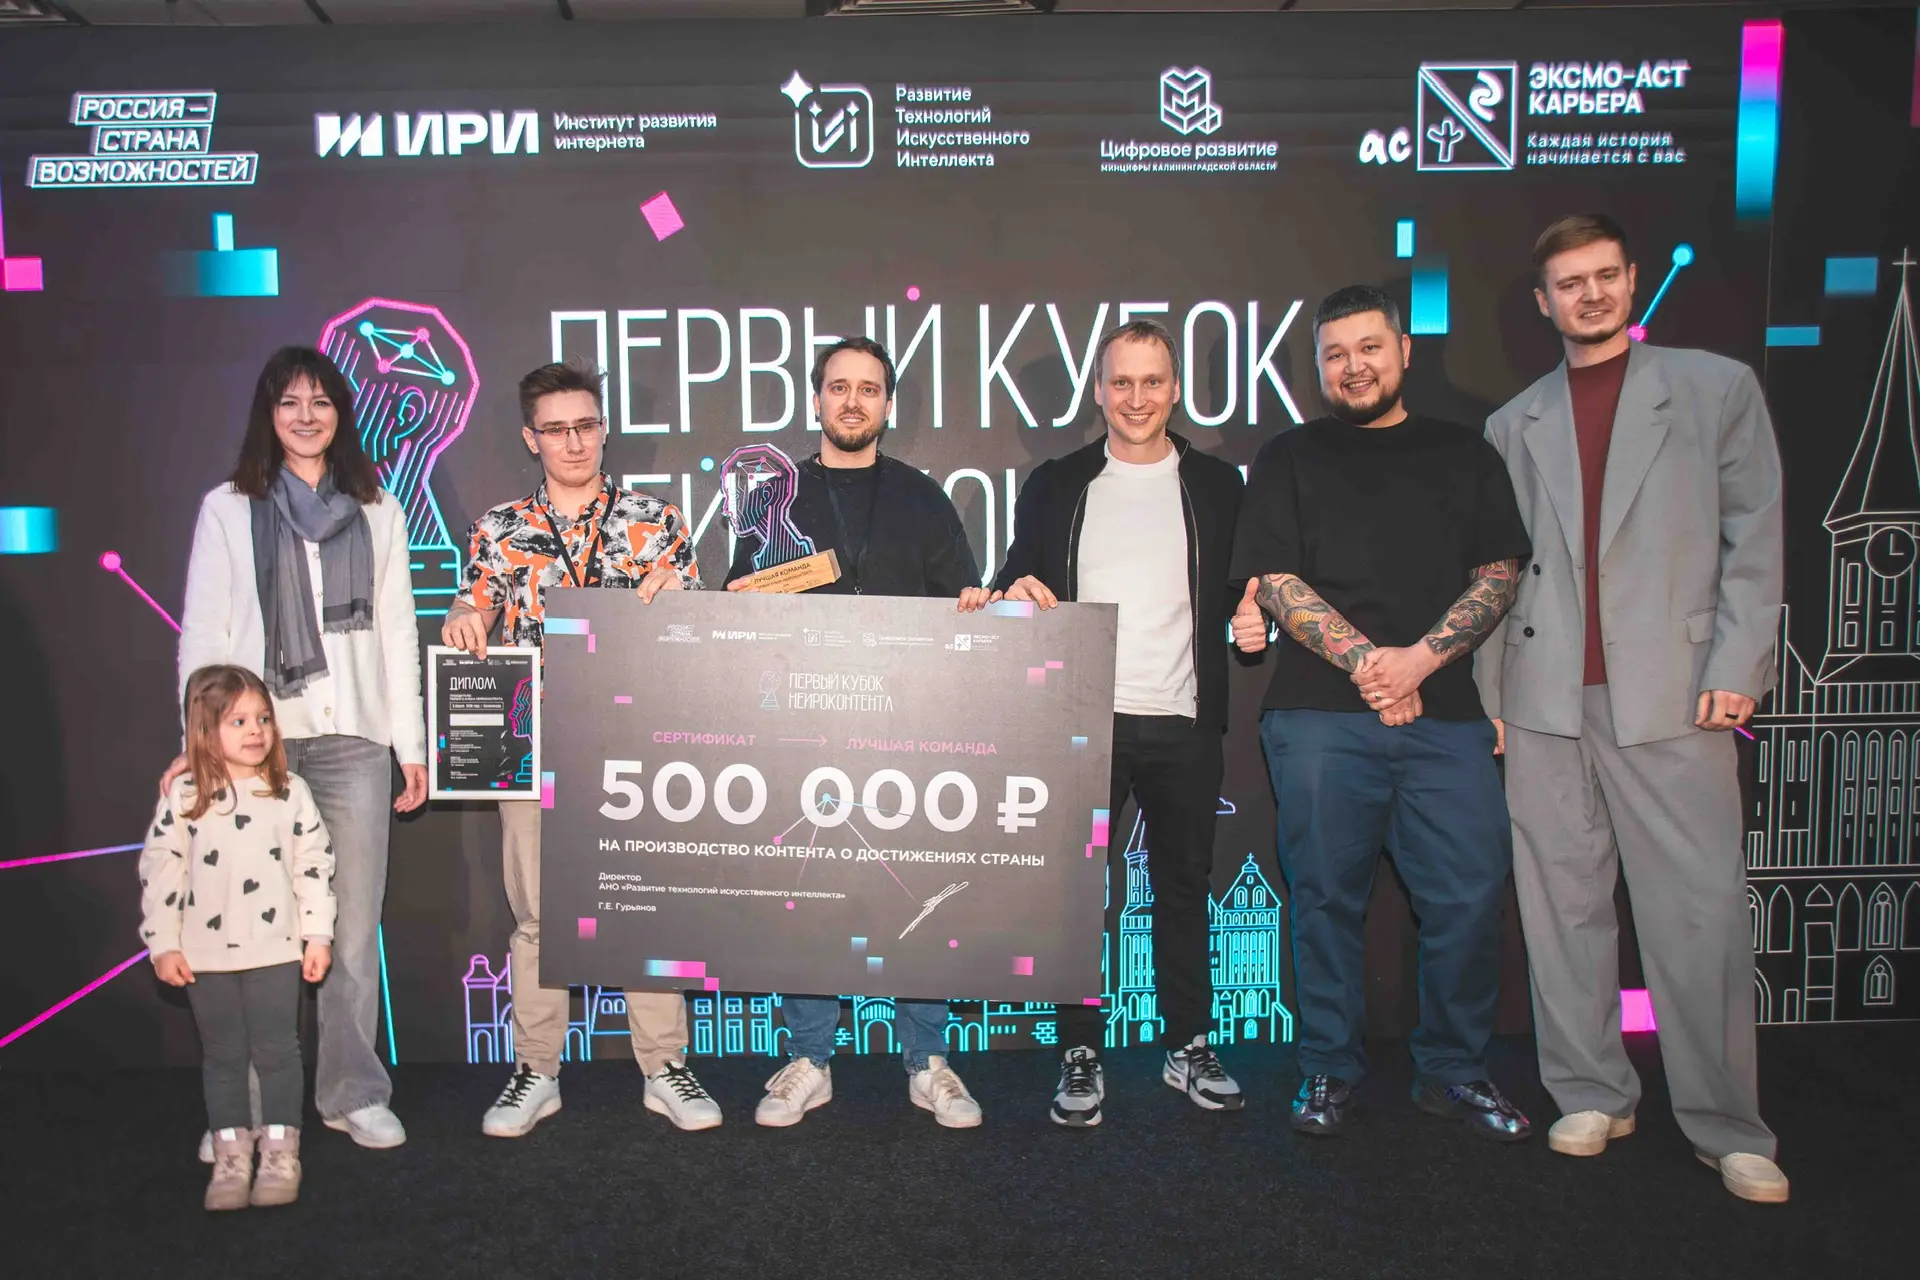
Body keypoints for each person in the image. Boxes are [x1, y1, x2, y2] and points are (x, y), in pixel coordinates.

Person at [1478, 215, 1788, 1202]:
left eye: (1605, 276)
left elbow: (1756, 535)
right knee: (1561, 909)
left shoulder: (1714, 389)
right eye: (1570, 283)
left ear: (1631, 280)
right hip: (1541, 699)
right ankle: (1590, 1090)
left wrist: (1739, 663)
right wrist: (1491, 695)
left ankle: (1728, 1124)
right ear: (1545, 302)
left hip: (1677, 693)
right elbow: (1497, 570)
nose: (1591, 294)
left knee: (1697, 915)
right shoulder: (1513, 422)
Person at [1232, 285, 1533, 1141]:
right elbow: (1276, 582)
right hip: (1319, 717)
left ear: (1403, 350)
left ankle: (1455, 1071)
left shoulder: (1465, 453)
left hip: (1447, 718)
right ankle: (1328, 1068)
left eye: (1369, 348)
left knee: (1469, 898)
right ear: (1318, 367)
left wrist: (1418, 663)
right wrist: (1375, 668)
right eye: (1335, 354)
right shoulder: (1289, 456)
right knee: (1325, 901)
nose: (1353, 366)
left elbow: (1500, 575)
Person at [971, 318, 1250, 1127]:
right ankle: (1079, 1052)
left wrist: (1254, 610)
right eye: (1121, 382)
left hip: (1185, 720)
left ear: (1174, 389)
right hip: (1083, 724)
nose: (1136, 398)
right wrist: (1013, 591)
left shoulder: (1218, 485)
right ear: (1099, 391)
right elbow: (1016, 574)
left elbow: (1248, 584)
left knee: (1183, 891)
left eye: (1151, 381)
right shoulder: (1059, 482)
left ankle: (1188, 1044)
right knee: (1076, 897)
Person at [441, 359, 716, 1136]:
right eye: (556, 429)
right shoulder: (500, 528)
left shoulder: (656, 521)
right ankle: (536, 1070)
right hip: (532, 742)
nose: (573, 442)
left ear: (604, 429)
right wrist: (464, 616)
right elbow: (474, 603)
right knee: (536, 915)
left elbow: (696, 628)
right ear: (531, 438)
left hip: (635, 745)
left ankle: (664, 1067)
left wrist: (681, 601)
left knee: (644, 905)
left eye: (586, 426)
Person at [172, 346, 426, 1157]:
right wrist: (201, 744)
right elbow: (205, 634)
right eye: (289, 403)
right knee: (257, 933)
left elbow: (397, 637)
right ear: (268, 415)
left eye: (320, 402)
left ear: (341, 414)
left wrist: (410, 747)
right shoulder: (228, 509)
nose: (306, 416)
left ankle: (353, 1093)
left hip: (356, 744)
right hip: (257, 748)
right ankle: (246, 1110)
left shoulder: (379, 509)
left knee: (350, 932)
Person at [728, 336, 985, 1129]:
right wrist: (741, 602)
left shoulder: (922, 497)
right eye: (838, 387)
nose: (852, 401)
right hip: (801, 729)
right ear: (816, 400)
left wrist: (975, 607)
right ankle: (810, 1058)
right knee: (806, 891)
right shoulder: (773, 498)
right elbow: (736, 605)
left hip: (910, 730)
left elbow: (965, 606)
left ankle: (927, 1061)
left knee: (916, 887)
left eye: (868, 389)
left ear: (888, 404)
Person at [142, 665, 335, 1210]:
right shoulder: (185, 795)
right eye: (239, 721)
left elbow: (314, 865)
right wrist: (164, 943)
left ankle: (280, 1151)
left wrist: (317, 935)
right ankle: (231, 1155)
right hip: (205, 957)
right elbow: (162, 870)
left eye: (264, 719)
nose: (256, 731)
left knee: (278, 1051)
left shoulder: (290, 792)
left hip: (276, 949)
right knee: (223, 1056)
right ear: (205, 730)